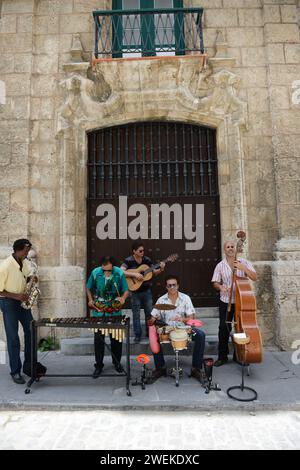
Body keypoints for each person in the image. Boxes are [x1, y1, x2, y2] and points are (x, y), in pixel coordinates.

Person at [0, 239, 46, 384]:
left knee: (31, 331)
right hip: (8, 302)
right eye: (26, 251)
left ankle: (29, 367)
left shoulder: (24, 262)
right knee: (13, 337)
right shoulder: (5, 266)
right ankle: (15, 371)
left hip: (22, 302)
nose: (28, 253)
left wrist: (32, 279)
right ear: (18, 250)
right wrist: (16, 296)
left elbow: (27, 277)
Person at [148, 275, 206, 382]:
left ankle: (196, 368)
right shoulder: (161, 300)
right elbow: (153, 316)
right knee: (154, 336)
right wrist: (152, 321)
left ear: (178, 285)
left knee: (201, 335)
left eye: (174, 285)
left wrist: (183, 319)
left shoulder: (185, 298)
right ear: (166, 287)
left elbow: (192, 317)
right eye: (169, 285)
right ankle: (160, 368)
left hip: (184, 328)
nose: (172, 287)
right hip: (168, 328)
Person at [211, 240, 257, 367]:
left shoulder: (244, 262)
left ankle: (240, 356)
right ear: (224, 250)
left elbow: (254, 277)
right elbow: (215, 282)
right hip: (225, 301)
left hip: (242, 301)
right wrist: (220, 287)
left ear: (235, 249)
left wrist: (244, 269)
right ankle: (222, 356)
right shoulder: (220, 266)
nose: (230, 248)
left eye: (232, 246)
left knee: (240, 328)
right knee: (223, 329)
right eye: (228, 247)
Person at [86, 256, 129, 378]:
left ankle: (117, 363)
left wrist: (123, 298)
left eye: (109, 270)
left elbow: (126, 290)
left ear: (113, 267)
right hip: (99, 311)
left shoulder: (119, 273)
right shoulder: (95, 272)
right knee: (98, 340)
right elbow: (88, 287)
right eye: (104, 270)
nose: (107, 272)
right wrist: (90, 299)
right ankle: (98, 365)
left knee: (116, 340)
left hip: (114, 311)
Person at [121, 241, 165, 343]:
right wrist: (135, 275)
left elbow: (154, 272)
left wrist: (161, 269)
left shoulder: (147, 260)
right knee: (136, 314)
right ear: (134, 251)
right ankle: (137, 335)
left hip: (146, 291)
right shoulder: (128, 260)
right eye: (140, 251)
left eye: (143, 250)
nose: (142, 252)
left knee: (149, 314)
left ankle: (150, 333)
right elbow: (121, 271)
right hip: (135, 292)